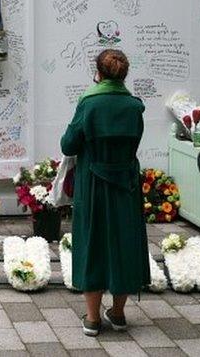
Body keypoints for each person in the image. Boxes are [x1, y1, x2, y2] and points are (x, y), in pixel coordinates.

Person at [60, 49, 149, 337]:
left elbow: (68, 145)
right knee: (124, 242)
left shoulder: (90, 103)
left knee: (93, 243)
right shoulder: (135, 106)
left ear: (98, 72)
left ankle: (92, 318)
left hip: (94, 184)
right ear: (124, 74)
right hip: (126, 184)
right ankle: (119, 314)